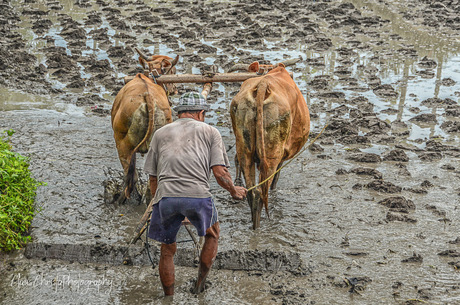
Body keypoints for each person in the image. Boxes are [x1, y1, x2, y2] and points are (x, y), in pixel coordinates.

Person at [143, 91, 247, 296]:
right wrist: (234, 190)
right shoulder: (210, 132)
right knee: (212, 234)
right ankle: (199, 285)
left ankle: (169, 297)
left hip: (166, 197)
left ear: (180, 113)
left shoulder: (160, 133)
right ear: (201, 113)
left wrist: (157, 204)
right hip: (197, 196)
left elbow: (153, 178)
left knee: (167, 249)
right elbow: (219, 172)